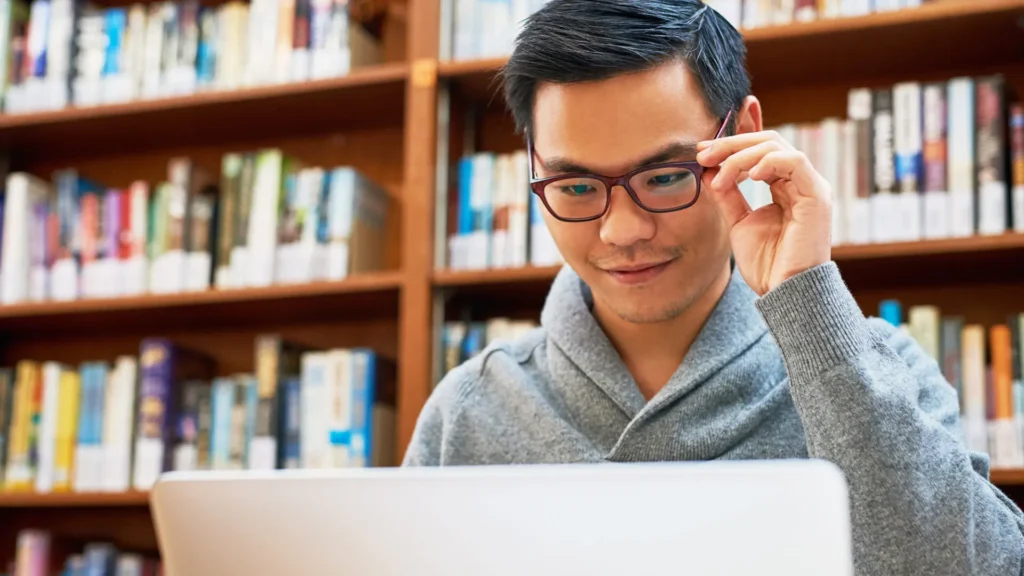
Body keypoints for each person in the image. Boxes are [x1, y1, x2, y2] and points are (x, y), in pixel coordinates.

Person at [403, 0, 1024, 573]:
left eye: (667, 176)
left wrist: (810, 309)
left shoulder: (873, 369)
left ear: (744, 135)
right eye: (576, 187)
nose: (623, 230)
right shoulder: (470, 409)